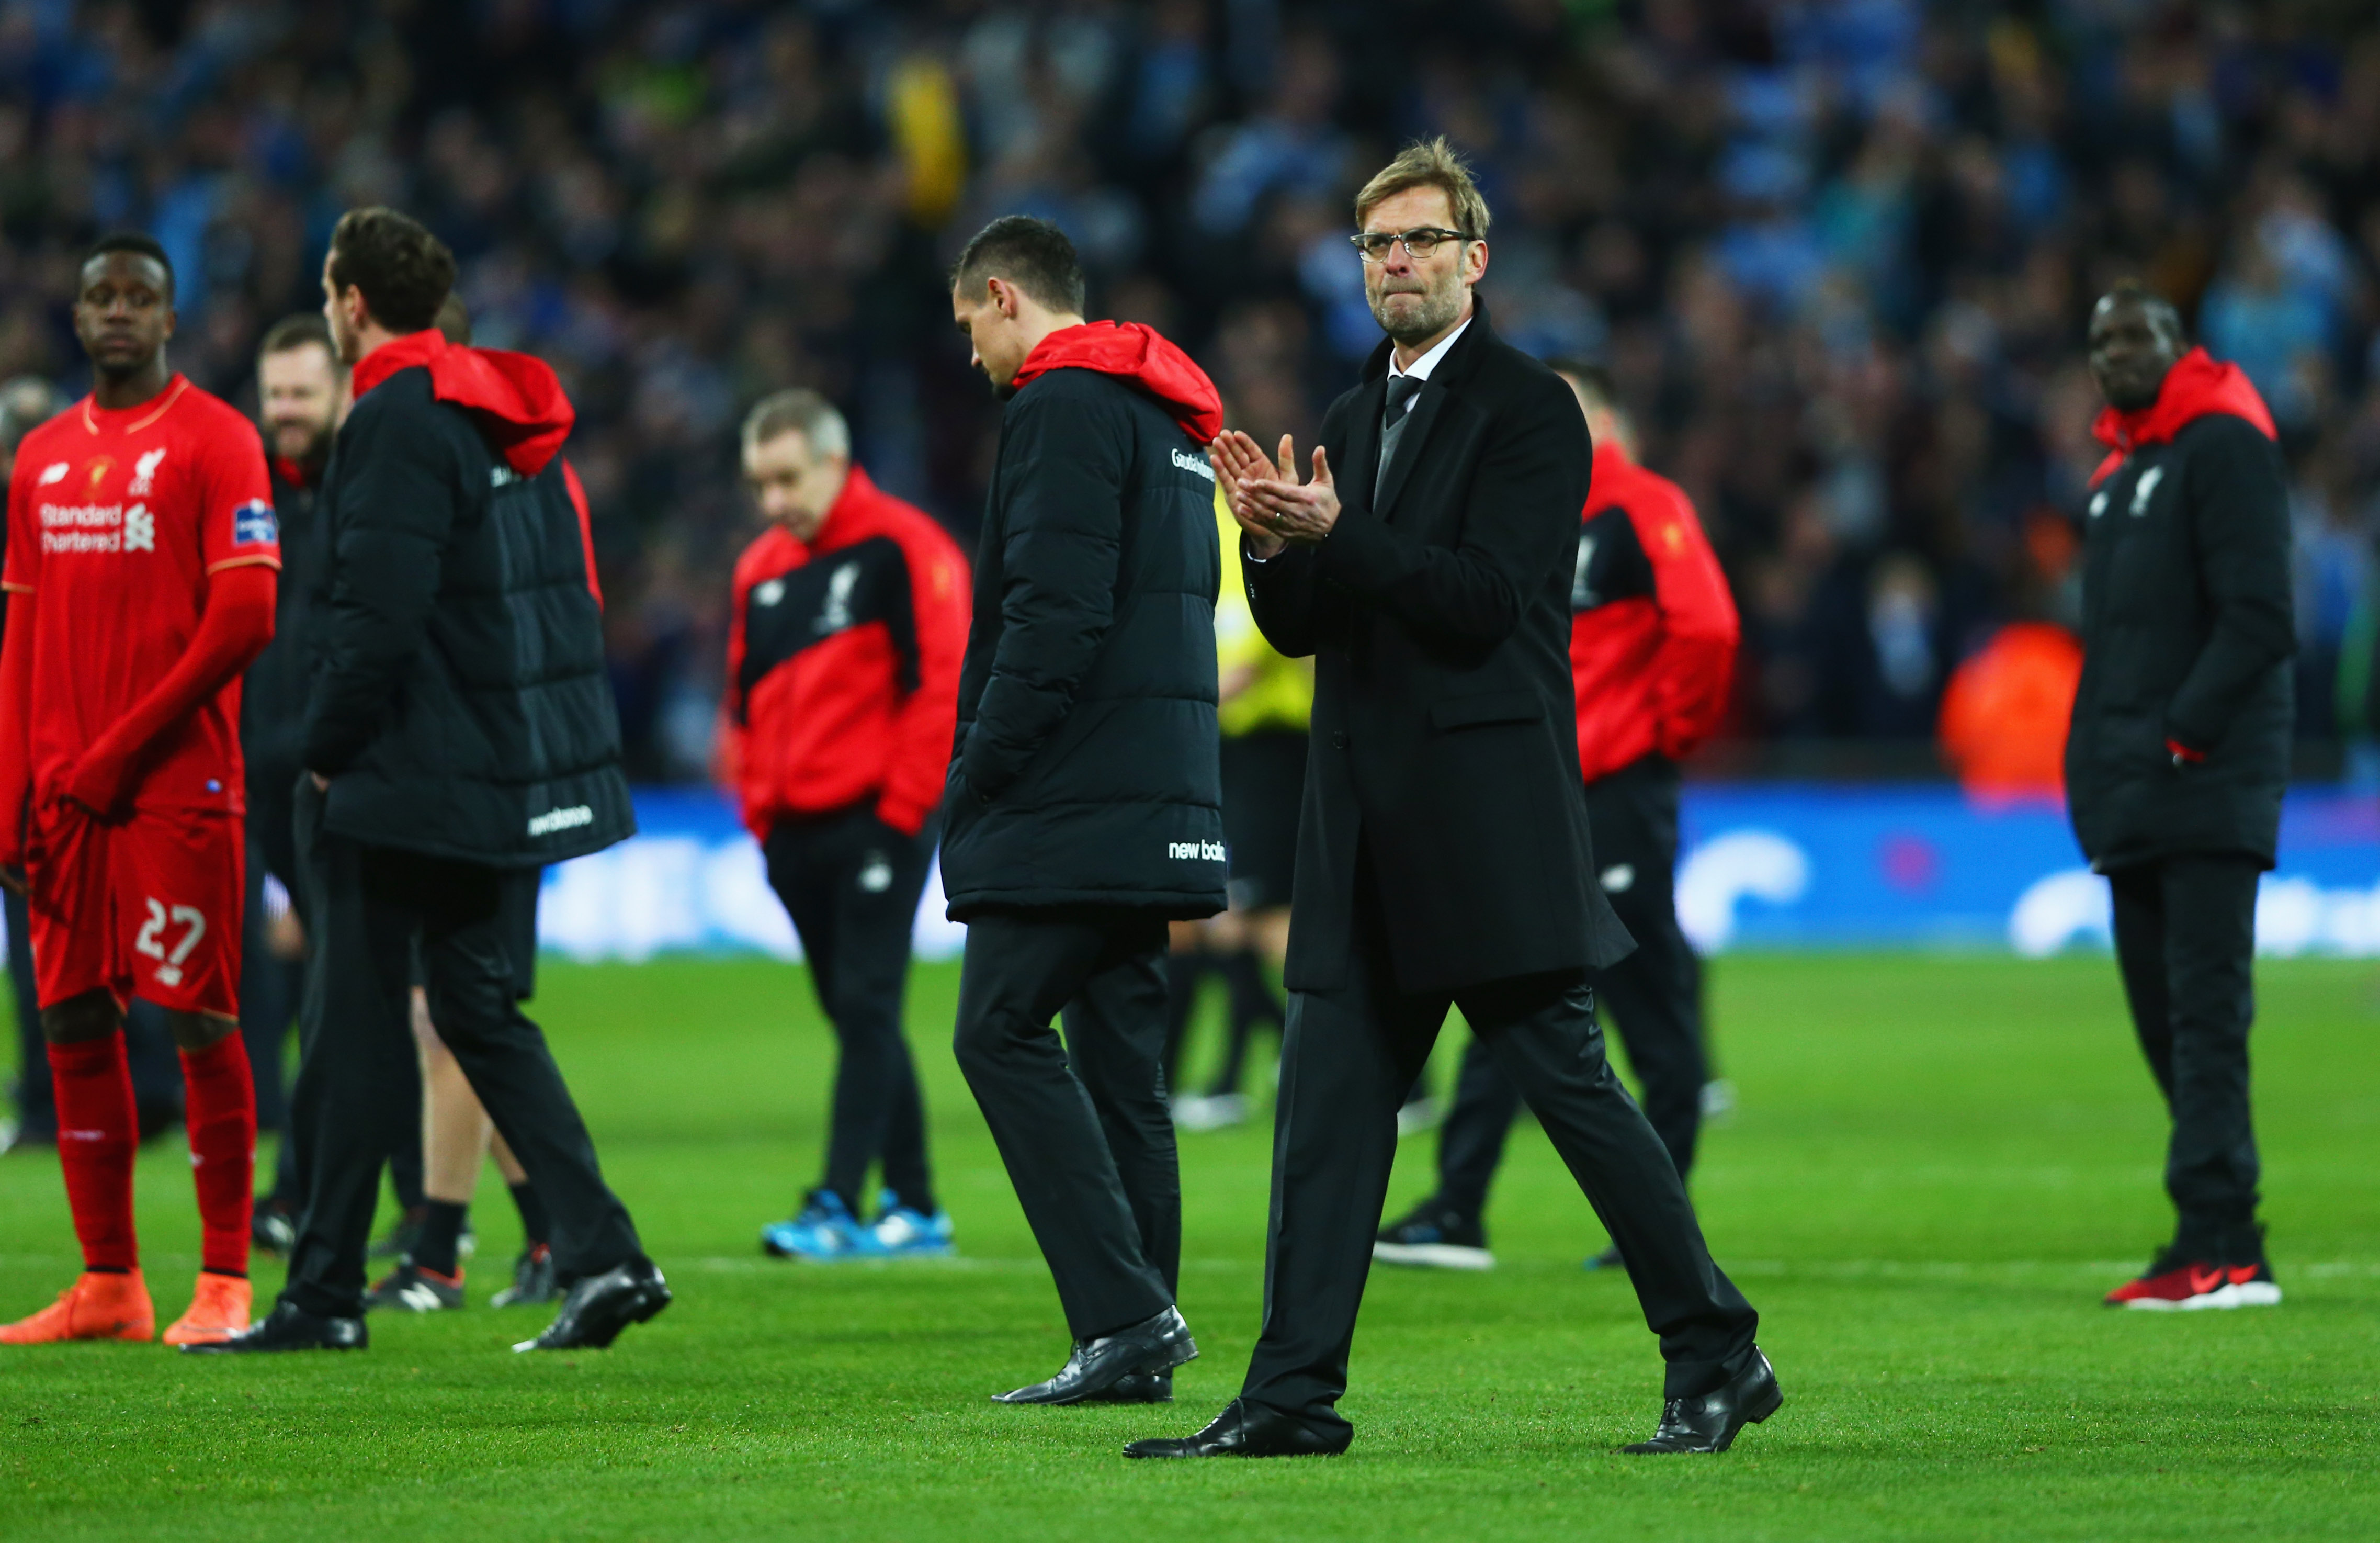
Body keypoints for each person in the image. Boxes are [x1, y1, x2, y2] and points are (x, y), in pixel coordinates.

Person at [1129, 140, 1773, 1460]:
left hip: (1486, 824)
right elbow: (1311, 631)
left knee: (1576, 1096)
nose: (1399, 264)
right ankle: (1291, 1395)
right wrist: (1269, 544)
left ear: (1475, 259)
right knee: (1324, 1123)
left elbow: (1486, 602)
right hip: (1359, 826)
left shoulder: (1534, 412)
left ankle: (1719, 1351)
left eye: (1422, 241)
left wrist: (1336, 537)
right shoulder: (1355, 415)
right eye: (1378, 246)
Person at [191, 207, 665, 1355]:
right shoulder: (494, 409)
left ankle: (320, 1297)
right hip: (487, 765)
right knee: (476, 1011)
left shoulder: (395, 416)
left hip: (401, 772)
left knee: (350, 1028)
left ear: (350, 304)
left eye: (325, 292)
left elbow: (380, 614)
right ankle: (604, 1254)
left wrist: (323, 744)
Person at [943, 215, 1227, 1405]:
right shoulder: (1167, 419)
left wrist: (977, 769)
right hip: (1158, 787)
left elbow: (1050, 619)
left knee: (996, 1030)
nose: (973, 359)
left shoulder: (1060, 407)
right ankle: (1135, 1336)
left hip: (1074, 797)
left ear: (1005, 297)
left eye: (970, 327)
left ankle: (1124, 1316)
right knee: (1122, 1069)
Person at [1373, 359, 1739, 1274]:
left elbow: (1708, 628)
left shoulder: (1638, 500)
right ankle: (1458, 1204)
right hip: (1539, 782)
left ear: (1607, 421)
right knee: (1512, 986)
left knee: (1647, 999)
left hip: (1612, 784)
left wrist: (1665, 734)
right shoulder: (1527, 505)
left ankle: (1659, 1219)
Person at [0, 233, 279, 1346]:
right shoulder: (43, 457)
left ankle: (223, 1279)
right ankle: (109, 1283)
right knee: (70, 1017)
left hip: (174, 782)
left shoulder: (220, 441)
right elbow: (21, 625)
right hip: (66, 792)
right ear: (78, 320)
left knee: (198, 1013)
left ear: (172, 320)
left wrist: (123, 745)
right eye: (100, 297)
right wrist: (11, 780)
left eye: (140, 298)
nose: (118, 313)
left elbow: (247, 616)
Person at [2071, 281, 2293, 1312]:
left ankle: (2222, 1244)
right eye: (2101, 339)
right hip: (2133, 794)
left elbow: (2258, 616)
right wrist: (2091, 769)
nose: (2116, 352)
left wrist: (2180, 735)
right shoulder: (2120, 473)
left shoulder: (2222, 446)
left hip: (2203, 786)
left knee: (2202, 1018)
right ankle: (2217, 1232)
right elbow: (2109, 650)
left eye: (2136, 333)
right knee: (2164, 1023)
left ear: (2178, 343)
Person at [720, 389, 969, 1263]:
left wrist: (903, 810)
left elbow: (941, 683)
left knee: (866, 1002)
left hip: (876, 821)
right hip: (792, 830)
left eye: (787, 478)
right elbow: (743, 699)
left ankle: (835, 1199)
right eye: (761, 484)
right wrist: (758, 811)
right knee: (858, 1014)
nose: (774, 500)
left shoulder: (904, 544)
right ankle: (917, 1201)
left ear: (834, 460)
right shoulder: (760, 567)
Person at [362, 294, 562, 1315]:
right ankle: (554, 1238)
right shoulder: (526, 459)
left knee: (456, 1018)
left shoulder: (455, 460)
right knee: (456, 1018)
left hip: (475, 779)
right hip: (478, 774)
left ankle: (442, 1252)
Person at [242, 313, 350, 1252]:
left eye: (302, 393)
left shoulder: (362, 489)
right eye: (273, 393)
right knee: (317, 984)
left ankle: (304, 1193)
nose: (285, 411)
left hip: (337, 776)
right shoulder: (251, 492)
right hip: (257, 777)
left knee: (348, 987)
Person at [1162, 481, 1309, 1134]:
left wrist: (1164, 711)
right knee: (1224, 922)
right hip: (1226, 752)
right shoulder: (1190, 539)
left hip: (1271, 754)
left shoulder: (1235, 535)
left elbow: (1246, 657)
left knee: (1261, 923)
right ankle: (1239, 1074)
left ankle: (1373, 1069)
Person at [1, 375, 68, 1155]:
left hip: (70, 765)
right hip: (24, 768)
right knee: (33, 958)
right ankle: (43, 1101)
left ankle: (142, 1092)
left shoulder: (87, 524)